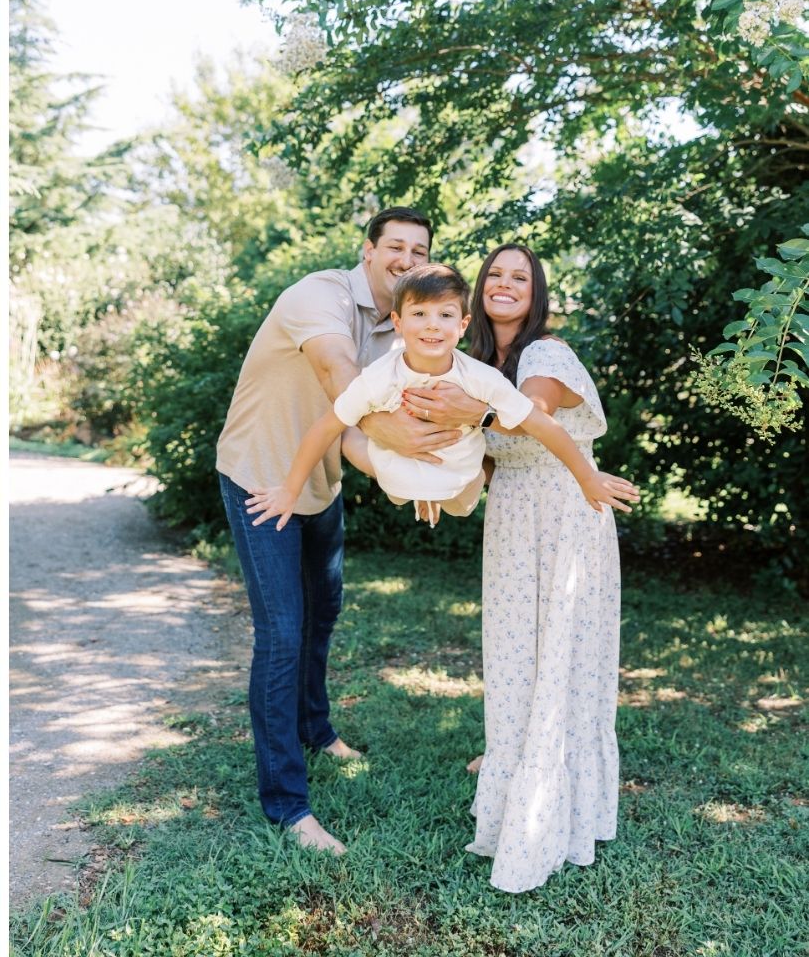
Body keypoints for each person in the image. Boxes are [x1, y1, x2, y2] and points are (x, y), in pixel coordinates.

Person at [217, 206, 478, 854]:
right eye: (396, 247)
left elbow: (428, 403)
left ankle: (315, 728)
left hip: (318, 482)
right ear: (368, 250)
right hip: (261, 478)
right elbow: (338, 373)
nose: (407, 260)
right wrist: (386, 442)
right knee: (281, 633)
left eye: (420, 251)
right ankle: (286, 805)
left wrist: (424, 475)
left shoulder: (407, 323)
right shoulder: (319, 296)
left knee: (325, 609)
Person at [461, 243, 625, 892]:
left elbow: (519, 416)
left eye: (519, 277)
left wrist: (444, 407)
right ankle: (516, 781)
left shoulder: (544, 355)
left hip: (565, 514)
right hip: (511, 520)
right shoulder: (479, 364)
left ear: (537, 292)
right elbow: (486, 458)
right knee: (512, 658)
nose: (505, 285)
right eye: (495, 275)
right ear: (480, 289)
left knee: (560, 656)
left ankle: (553, 813)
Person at [245, 264, 639, 532]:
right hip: (398, 475)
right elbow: (326, 427)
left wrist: (586, 476)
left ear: (463, 324)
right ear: (398, 323)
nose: (432, 326)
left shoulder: (478, 377)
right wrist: (289, 489)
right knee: (361, 442)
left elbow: (539, 424)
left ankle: (434, 491)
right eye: (419, 315)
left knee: (459, 501)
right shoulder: (381, 375)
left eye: (445, 316)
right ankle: (419, 490)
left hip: (461, 478)